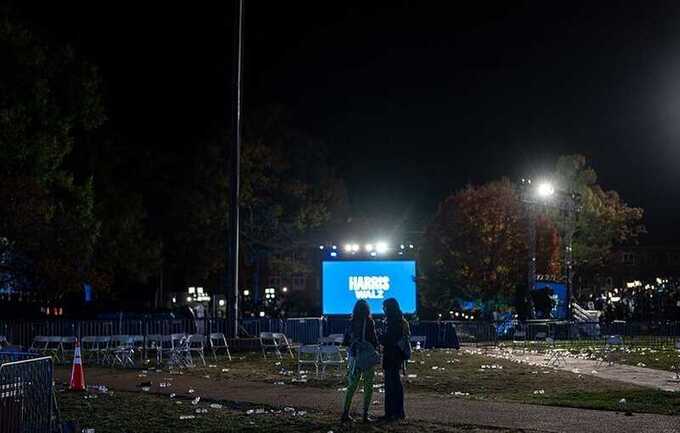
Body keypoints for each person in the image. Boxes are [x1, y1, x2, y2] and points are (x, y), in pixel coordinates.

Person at [341, 300, 378, 423]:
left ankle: (345, 413)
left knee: (352, 386)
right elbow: (373, 340)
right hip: (367, 358)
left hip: (354, 357)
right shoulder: (369, 322)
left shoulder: (350, 323)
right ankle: (365, 415)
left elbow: (345, 341)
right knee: (368, 386)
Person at [380, 297, 409, 421]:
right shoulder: (399, 321)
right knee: (395, 384)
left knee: (391, 385)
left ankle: (391, 413)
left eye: (384, 307)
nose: (383, 309)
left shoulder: (393, 323)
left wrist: (381, 337)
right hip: (396, 356)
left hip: (391, 356)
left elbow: (390, 339)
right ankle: (397, 411)